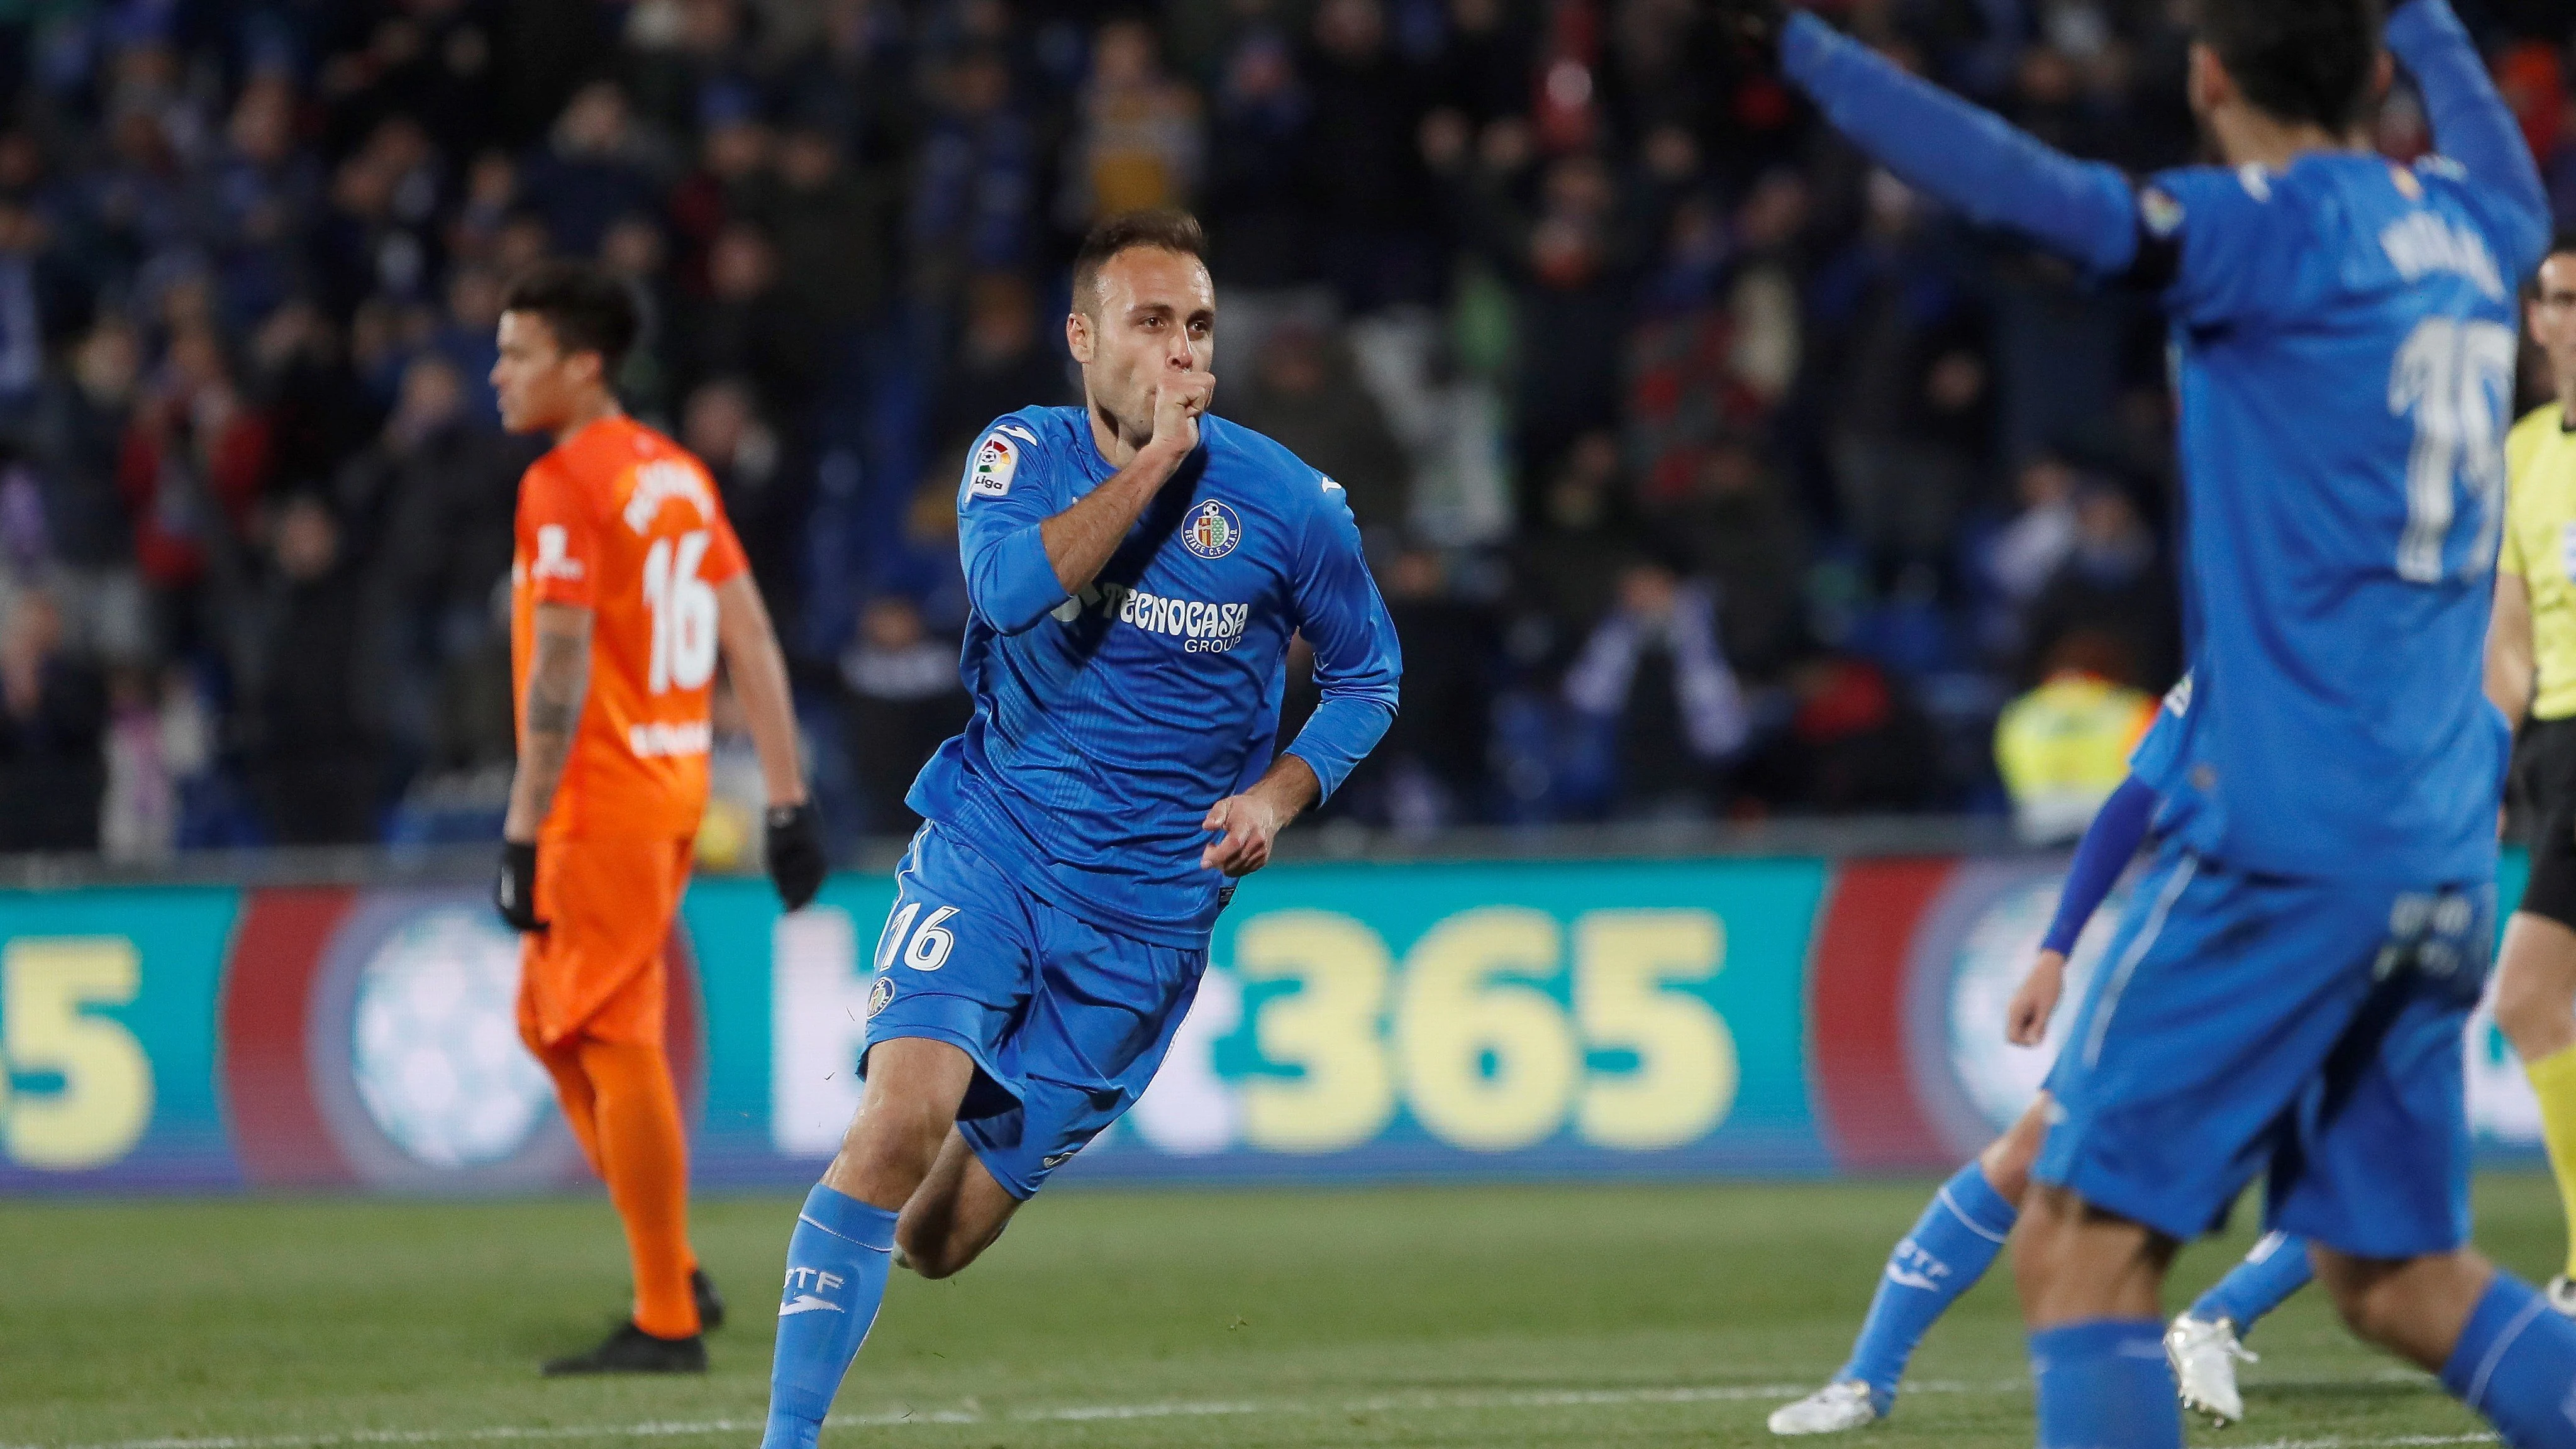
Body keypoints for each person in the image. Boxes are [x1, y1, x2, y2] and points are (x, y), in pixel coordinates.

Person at [1726, 1, 2565, 1444]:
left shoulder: (2250, 230)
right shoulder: (2485, 223)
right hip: (2435, 843)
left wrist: (1802, 47)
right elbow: (2495, 144)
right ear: (2378, 77)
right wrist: (2424, 17)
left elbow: (2013, 182)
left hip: (2285, 831)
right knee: (2401, 1277)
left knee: (2079, 1253)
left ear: (2206, 77)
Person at [753, 209, 1402, 1448]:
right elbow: (1006, 592)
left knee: (936, 1241)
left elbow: (1369, 677)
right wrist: (1155, 465)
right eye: (1150, 322)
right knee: (898, 1120)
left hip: (1143, 925)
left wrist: (1277, 793)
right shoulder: (1016, 456)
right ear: (1082, 339)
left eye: (1198, 326)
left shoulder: (1290, 503)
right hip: (992, 849)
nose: (1178, 349)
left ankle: (862, 1247)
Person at [1773, 677, 2321, 1433]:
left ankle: (2215, 1323)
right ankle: (1865, 1381)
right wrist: (2055, 948)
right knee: (2029, 1149)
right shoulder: (2240, 655)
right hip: (2191, 947)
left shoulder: (2406, 657)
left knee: (2369, 1168)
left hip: (2324, 947)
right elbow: (2134, 802)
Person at [487, 261, 827, 1376]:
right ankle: (669, 1264)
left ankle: (667, 1311)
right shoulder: (676, 474)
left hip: (599, 798)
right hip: (674, 784)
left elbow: (562, 670)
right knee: (555, 1023)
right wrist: (783, 794)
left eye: (518, 353)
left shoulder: (565, 482)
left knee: (609, 1035)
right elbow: (752, 636)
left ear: (583, 365)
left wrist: (523, 825)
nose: (498, 373)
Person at [2487, 235, 2576, 1314]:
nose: (2571, 314)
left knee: (2525, 994)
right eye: (2557, 297)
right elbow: (2507, 632)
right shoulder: (2519, 450)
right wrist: (2483, 763)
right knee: (2532, 1001)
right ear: (2534, 319)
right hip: (2552, 751)